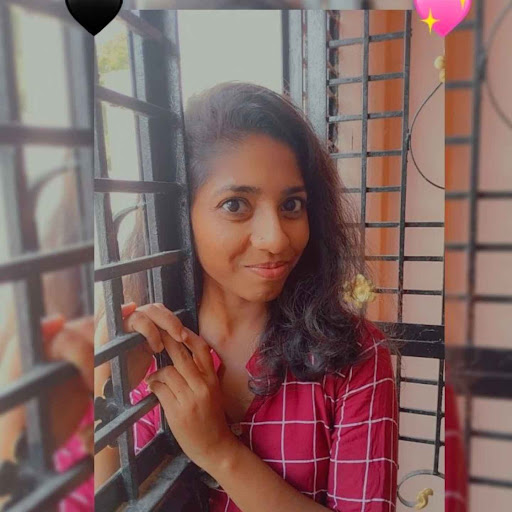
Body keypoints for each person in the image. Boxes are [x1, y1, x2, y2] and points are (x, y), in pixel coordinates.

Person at [95, 82, 399, 512]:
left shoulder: (356, 356)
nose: (276, 239)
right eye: (236, 205)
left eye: (292, 205)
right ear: (180, 215)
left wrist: (220, 452)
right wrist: (108, 389)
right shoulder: (141, 343)